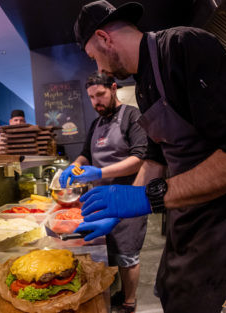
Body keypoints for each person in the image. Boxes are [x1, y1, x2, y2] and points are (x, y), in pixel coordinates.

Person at [73, 1, 226, 313]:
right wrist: (126, 206)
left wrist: (149, 198)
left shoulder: (185, 46)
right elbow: (155, 159)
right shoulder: (143, 84)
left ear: (103, 37)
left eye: (93, 58)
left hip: (220, 214)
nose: (99, 70)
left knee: (191, 302)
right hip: (184, 211)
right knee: (168, 290)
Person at [59, 71, 147, 313]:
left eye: (100, 94)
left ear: (114, 88)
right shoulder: (96, 123)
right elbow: (85, 153)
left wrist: (99, 173)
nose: (96, 101)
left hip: (129, 195)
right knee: (108, 250)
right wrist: (74, 166)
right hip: (100, 198)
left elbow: (139, 159)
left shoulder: (132, 116)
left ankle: (129, 303)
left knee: (128, 254)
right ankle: (118, 293)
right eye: (91, 97)